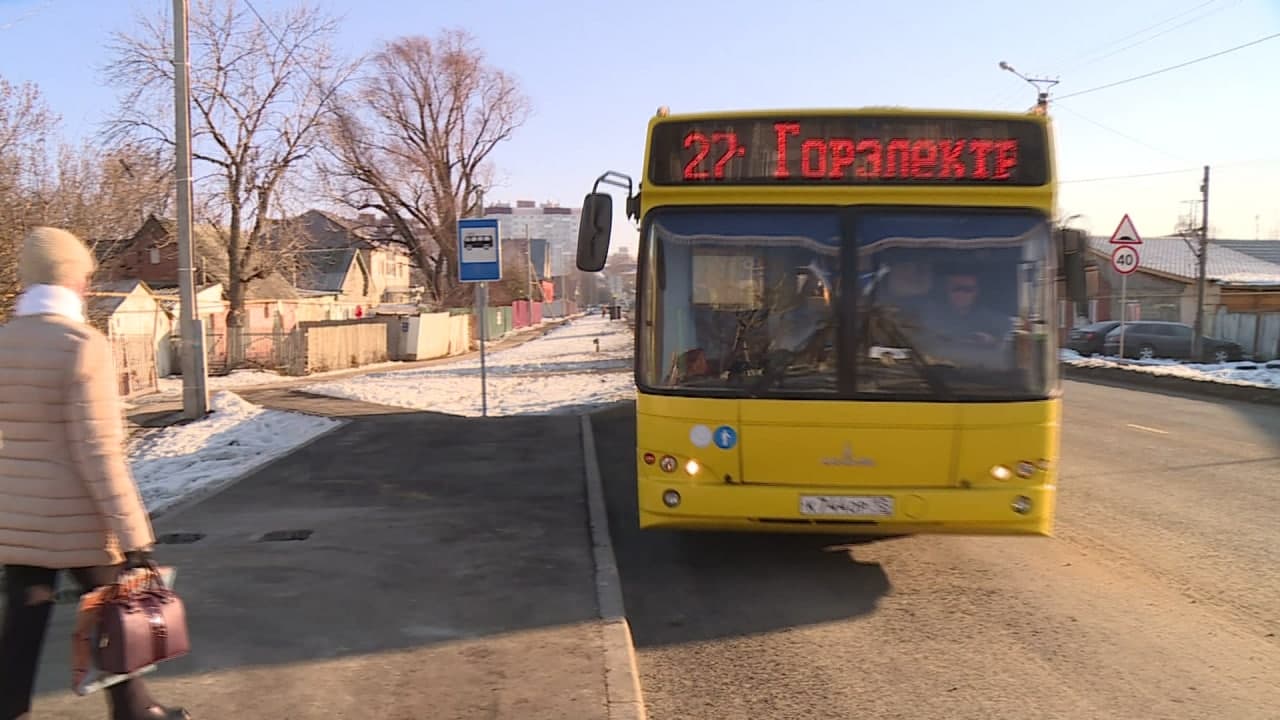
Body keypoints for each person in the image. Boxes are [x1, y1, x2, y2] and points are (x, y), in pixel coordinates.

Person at [0, 227, 190, 720]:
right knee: (116, 619)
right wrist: (135, 538)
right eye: (84, 276)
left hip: (16, 522)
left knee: (22, 626)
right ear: (72, 280)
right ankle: (134, 712)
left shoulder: (4, 340)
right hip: (80, 522)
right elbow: (99, 450)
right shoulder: (82, 345)